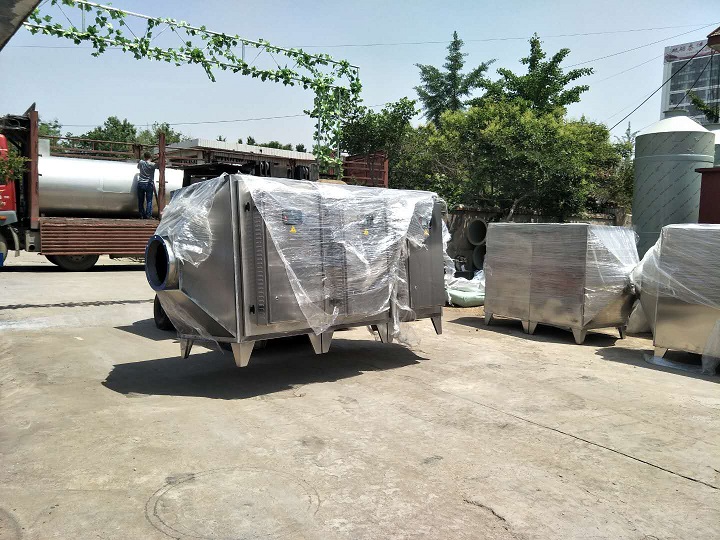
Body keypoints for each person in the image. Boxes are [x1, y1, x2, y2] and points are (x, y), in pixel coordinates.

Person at [136, 152, 157, 219]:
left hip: (141, 183)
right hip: (149, 184)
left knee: (140, 200)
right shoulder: (153, 165)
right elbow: (160, 166)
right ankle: (148, 215)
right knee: (149, 200)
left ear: (144, 157)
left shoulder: (141, 162)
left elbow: (138, 167)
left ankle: (142, 215)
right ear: (151, 157)